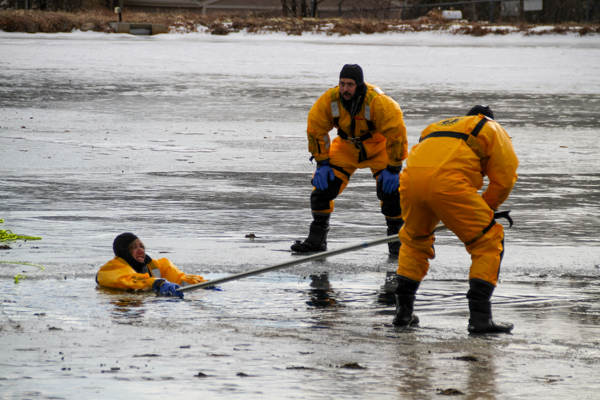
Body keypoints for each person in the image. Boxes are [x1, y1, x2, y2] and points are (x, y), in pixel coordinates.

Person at [393, 105, 519, 333]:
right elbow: (505, 177)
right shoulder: (491, 127)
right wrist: (487, 206)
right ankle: (480, 318)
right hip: (448, 184)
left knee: (414, 242)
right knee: (487, 242)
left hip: (410, 181)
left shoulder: (437, 127)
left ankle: (403, 313)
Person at [291, 64, 408, 255]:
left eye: (350, 84)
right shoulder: (330, 100)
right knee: (321, 191)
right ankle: (317, 241)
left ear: (359, 85)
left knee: (392, 194)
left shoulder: (378, 102)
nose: (345, 89)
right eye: (342, 83)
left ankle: (397, 241)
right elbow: (315, 128)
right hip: (346, 147)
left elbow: (397, 133)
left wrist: (394, 168)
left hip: (379, 147)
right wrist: (322, 163)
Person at [96, 232, 208, 299]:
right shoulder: (110, 269)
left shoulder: (156, 265)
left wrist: (201, 283)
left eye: (141, 246)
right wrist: (156, 283)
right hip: (127, 304)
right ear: (125, 252)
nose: (141, 251)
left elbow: (179, 279)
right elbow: (127, 280)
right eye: (134, 247)